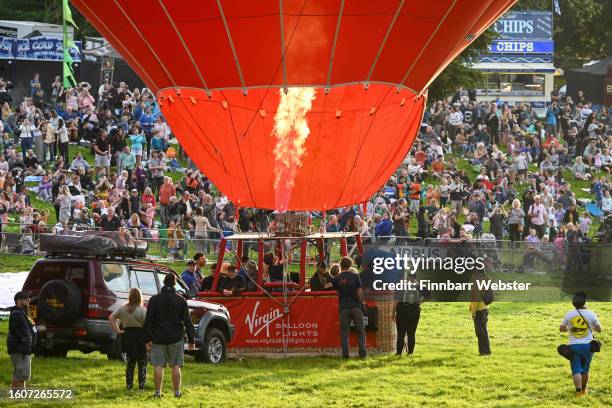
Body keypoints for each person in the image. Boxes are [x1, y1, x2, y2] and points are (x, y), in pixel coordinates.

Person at [144, 273, 195, 398]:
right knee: (176, 365)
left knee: (159, 365)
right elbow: (188, 321)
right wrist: (192, 340)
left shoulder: (154, 299)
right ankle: (177, 393)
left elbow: (149, 321)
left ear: (164, 283)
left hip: (158, 337)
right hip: (176, 337)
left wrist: (147, 339)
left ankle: (157, 393)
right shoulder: (181, 300)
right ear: (174, 284)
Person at [559, 292, 602, 397]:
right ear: (584, 302)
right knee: (585, 370)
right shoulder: (591, 313)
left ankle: (578, 392)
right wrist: (590, 328)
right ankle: (584, 390)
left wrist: (570, 328)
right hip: (588, 346)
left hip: (573, 346)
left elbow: (561, 329)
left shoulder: (569, 314)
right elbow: (599, 329)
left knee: (576, 369)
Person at [108, 288, 148, 390]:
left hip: (128, 337)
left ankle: (129, 386)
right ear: (140, 296)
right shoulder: (143, 310)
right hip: (140, 339)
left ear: (130, 296)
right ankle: (141, 387)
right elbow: (148, 326)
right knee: (142, 363)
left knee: (130, 363)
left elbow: (111, 318)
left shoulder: (122, 308)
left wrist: (118, 331)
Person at [7, 291, 44, 390]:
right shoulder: (16, 314)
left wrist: (37, 329)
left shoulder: (24, 313)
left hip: (25, 349)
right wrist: (24, 340)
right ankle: (17, 395)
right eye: (26, 299)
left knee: (22, 375)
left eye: (29, 298)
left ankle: (20, 395)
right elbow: (14, 330)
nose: (29, 300)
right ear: (19, 301)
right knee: (20, 374)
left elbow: (28, 328)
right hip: (19, 349)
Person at [332, 257, 366, 359]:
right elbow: (359, 291)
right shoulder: (355, 276)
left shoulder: (336, 279)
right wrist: (362, 303)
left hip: (343, 307)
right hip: (356, 306)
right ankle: (362, 353)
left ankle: (345, 354)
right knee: (360, 331)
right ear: (350, 265)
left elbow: (337, 290)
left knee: (344, 332)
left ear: (340, 266)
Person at [392, 271, 431, 355]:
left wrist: (392, 314)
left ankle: (398, 353)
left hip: (402, 311)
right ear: (415, 277)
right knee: (411, 334)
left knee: (401, 334)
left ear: (408, 277)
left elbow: (395, 301)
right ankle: (410, 353)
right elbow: (429, 295)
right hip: (414, 311)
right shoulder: (419, 286)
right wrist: (420, 302)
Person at [470, 270, 491, 356]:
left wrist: (473, 312)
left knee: (480, 332)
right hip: (485, 308)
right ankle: (485, 351)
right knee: (483, 331)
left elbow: (476, 298)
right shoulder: (486, 280)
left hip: (479, 309)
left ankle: (484, 351)